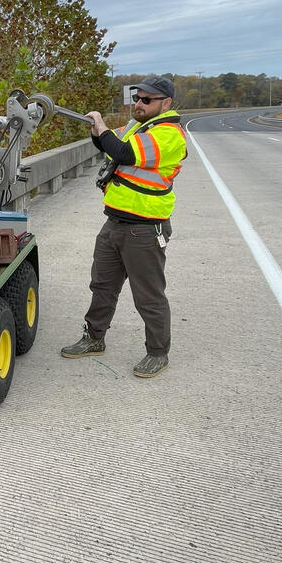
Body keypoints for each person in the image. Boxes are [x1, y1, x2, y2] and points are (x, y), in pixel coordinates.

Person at [61, 76, 187, 378]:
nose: (139, 104)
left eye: (147, 100)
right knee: (102, 285)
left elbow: (126, 154)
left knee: (149, 295)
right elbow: (110, 147)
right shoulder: (138, 127)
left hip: (145, 228)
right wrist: (97, 130)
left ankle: (158, 353)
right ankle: (94, 338)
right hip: (115, 222)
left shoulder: (170, 135)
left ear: (165, 103)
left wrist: (103, 130)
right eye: (138, 98)